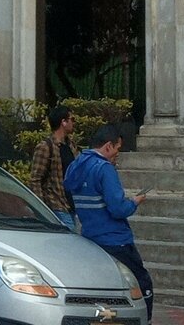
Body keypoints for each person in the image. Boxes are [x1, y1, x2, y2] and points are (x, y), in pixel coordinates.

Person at [64, 123, 154, 322]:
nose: (117, 155)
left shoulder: (75, 166)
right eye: (117, 149)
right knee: (141, 283)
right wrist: (134, 202)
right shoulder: (104, 169)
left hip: (90, 237)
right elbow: (118, 209)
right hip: (115, 240)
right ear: (107, 146)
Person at [28, 104, 79, 229]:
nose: (74, 122)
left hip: (70, 205)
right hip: (56, 206)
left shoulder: (70, 145)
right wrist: (42, 209)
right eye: (71, 119)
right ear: (63, 122)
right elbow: (35, 179)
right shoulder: (45, 147)